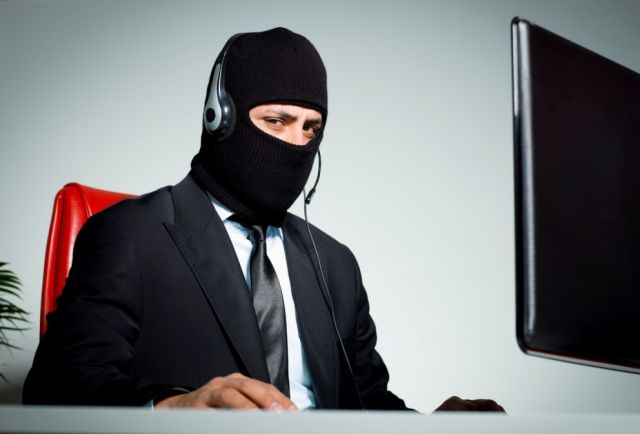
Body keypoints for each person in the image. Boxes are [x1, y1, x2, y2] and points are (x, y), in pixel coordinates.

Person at [24, 28, 503, 412]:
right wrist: (176, 406)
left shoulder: (335, 264)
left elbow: (367, 406)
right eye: (276, 121)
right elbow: (57, 385)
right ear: (220, 117)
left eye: (311, 128)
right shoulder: (130, 235)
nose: (296, 144)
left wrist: (435, 428)